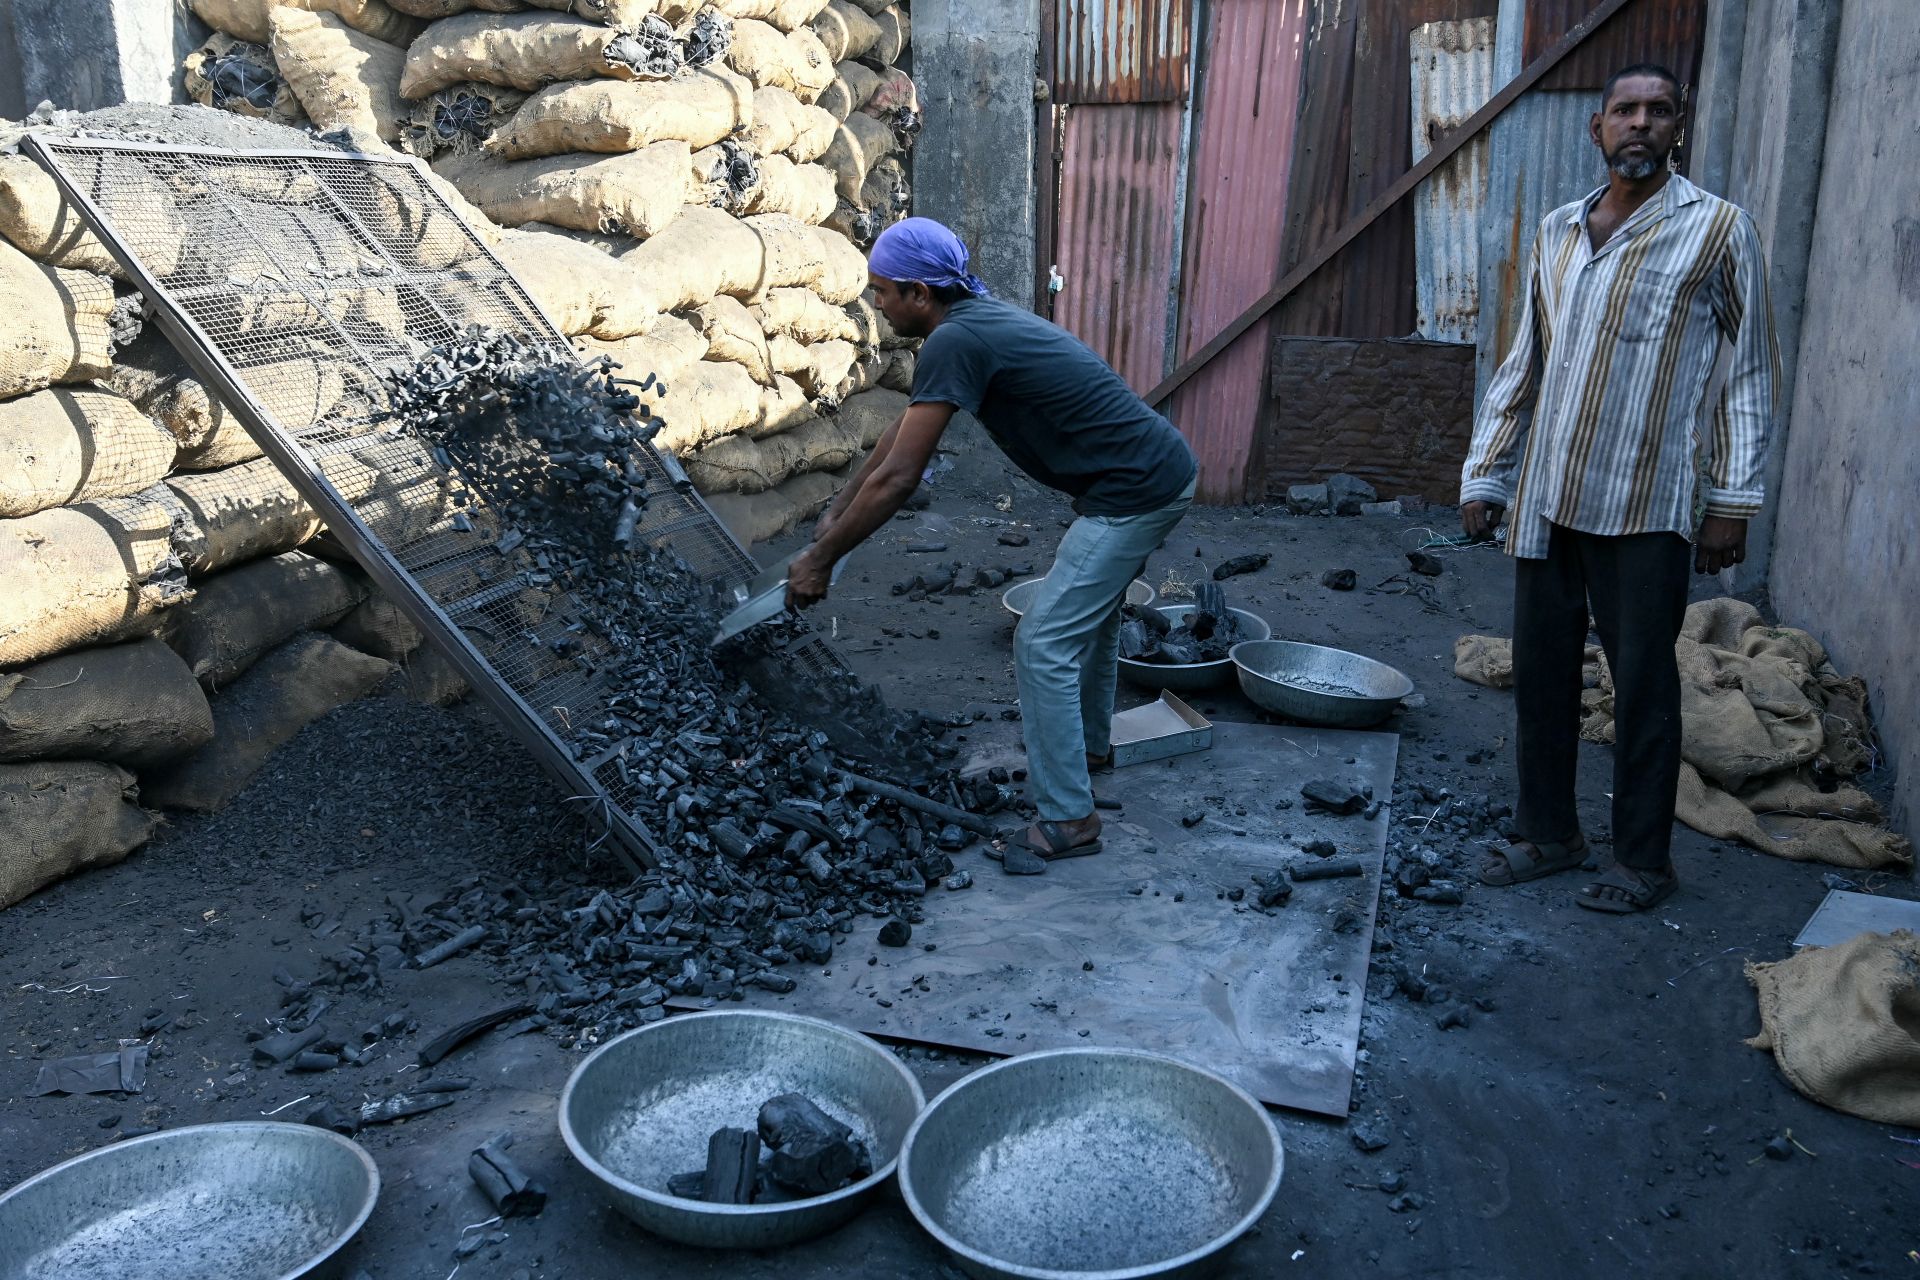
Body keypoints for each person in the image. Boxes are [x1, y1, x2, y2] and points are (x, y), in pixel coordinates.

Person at [784, 218, 1199, 874]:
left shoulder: (956, 339)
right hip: (1148, 474)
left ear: (919, 294)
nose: (878, 305)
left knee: (1042, 642)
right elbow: (901, 433)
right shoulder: (970, 326)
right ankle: (1087, 752)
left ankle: (1069, 818)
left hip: (1136, 492)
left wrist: (819, 559)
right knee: (1087, 621)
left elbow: (901, 479)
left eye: (883, 292)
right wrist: (840, 504)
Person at [1460, 63, 1779, 914]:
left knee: (1642, 686)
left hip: (1646, 501)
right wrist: (1487, 471)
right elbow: (1524, 360)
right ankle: (1550, 834)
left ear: (1681, 125)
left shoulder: (1717, 230)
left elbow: (1747, 374)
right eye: (1625, 111)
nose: (1640, 123)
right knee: (1542, 674)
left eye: (1659, 111)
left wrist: (1732, 501)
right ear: (1596, 128)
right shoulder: (1562, 231)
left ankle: (1642, 861)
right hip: (1549, 496)